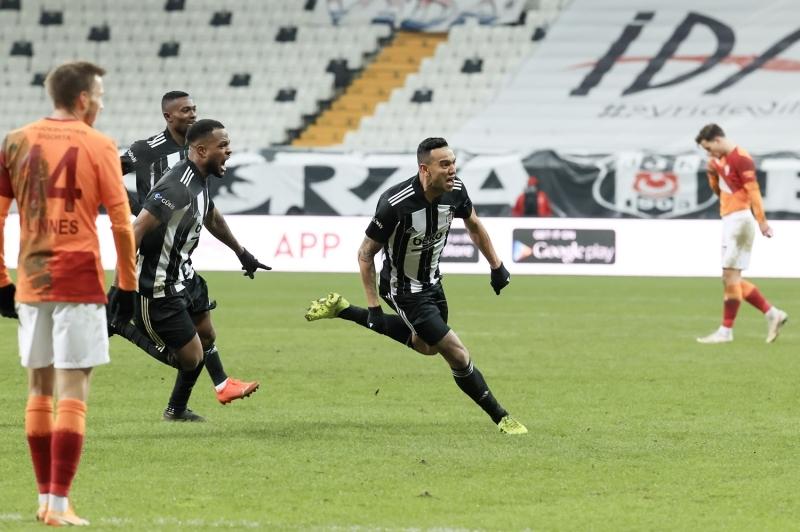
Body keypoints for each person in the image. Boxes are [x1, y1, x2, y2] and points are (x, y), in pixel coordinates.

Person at [305, 137, 527, 435]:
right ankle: (502, 418)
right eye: (444, 164)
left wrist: (496, 265)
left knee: (427, 347)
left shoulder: (456, 191)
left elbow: (473, 224)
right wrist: (374, 306)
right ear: (425, 169)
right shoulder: (395, 204)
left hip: (433, 283)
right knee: (457, 354)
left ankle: (343, 309)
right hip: (404, 290)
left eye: (453, 163)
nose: (452, 170)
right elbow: (365, 254)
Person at [0, 61, 137, 526]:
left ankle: (45, 500)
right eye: (99, 96)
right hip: (78, 282)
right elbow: (121, 223)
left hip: (31, 281)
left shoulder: (14, 141)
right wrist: (127, 285)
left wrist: (0, 280)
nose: (101, 104)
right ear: (82, 99)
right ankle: (59, 503)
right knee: (73, 390)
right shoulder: (100, 144)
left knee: (38, 389)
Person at [115, 92, 261, 422]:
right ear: (201, 150)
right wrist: (120, 287)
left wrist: (241, 252)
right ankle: (119, 324)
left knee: (206, 334)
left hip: (182, 271)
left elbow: (211, 217)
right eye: (223, 145)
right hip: (157, 282)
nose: (229, 151)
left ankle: (181, 407)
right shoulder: (175, 187)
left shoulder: (199, 178)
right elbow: (134, 232)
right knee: (191, 358)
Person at [694, 123, 788, 344]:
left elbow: (753, 191)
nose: (708, 153)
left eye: (709, 148)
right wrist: (712, 174)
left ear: (717, 140)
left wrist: (762, 221)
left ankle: (726, 331)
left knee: (730, 278)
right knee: (730, 278)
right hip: (730, 220)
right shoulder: (721, 161)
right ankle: (772, 313)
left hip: (740, 221)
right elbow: (719, 191)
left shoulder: (741, 158)